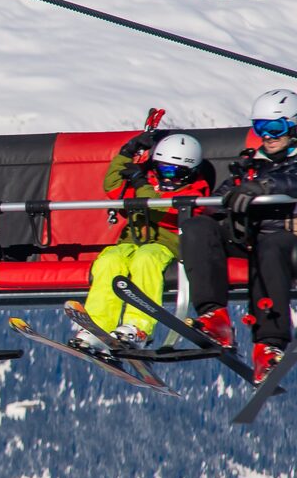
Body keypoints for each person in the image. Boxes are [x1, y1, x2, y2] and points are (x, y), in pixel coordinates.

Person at [178, 88, 297, 382]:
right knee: (197, 228)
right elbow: (222, 196)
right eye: (260, 128)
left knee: (271, 247)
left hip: (292, 238)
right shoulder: (255, 159)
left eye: (274, 127)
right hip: (250, 236)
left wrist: (269, 185)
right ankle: (214, 319)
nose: (267, 135)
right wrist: (230, 200)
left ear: (295, 125)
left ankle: (269, 344)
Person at [76, 131, 212, 350]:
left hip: (167, 245)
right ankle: (97, 324)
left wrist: (140, 182)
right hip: (132, 241)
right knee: (109, 259)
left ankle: (138, 326)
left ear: (190, 173)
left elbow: (159, 204)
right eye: (162, 170)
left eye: (175, 172)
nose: (168, 178)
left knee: (146, 259)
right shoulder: (148, 183)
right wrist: (127, 152)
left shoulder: (195, 190)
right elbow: (112, 186)